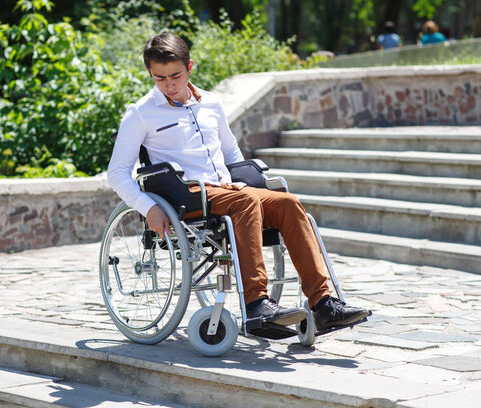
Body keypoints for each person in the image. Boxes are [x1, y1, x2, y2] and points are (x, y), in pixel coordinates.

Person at [107, 31, 370, 337]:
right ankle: (256, 305)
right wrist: (148, 207)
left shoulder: (211, 105)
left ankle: (324, 304)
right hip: (186, 194)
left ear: (189, 66)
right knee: (246, 202)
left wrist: (245, 182)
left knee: (288, 203)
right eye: (159, 78)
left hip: (227, 190)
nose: (169, 85)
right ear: (150, 74)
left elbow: (231, 152)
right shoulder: (140, 113)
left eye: (175, 75)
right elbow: (118, 172)